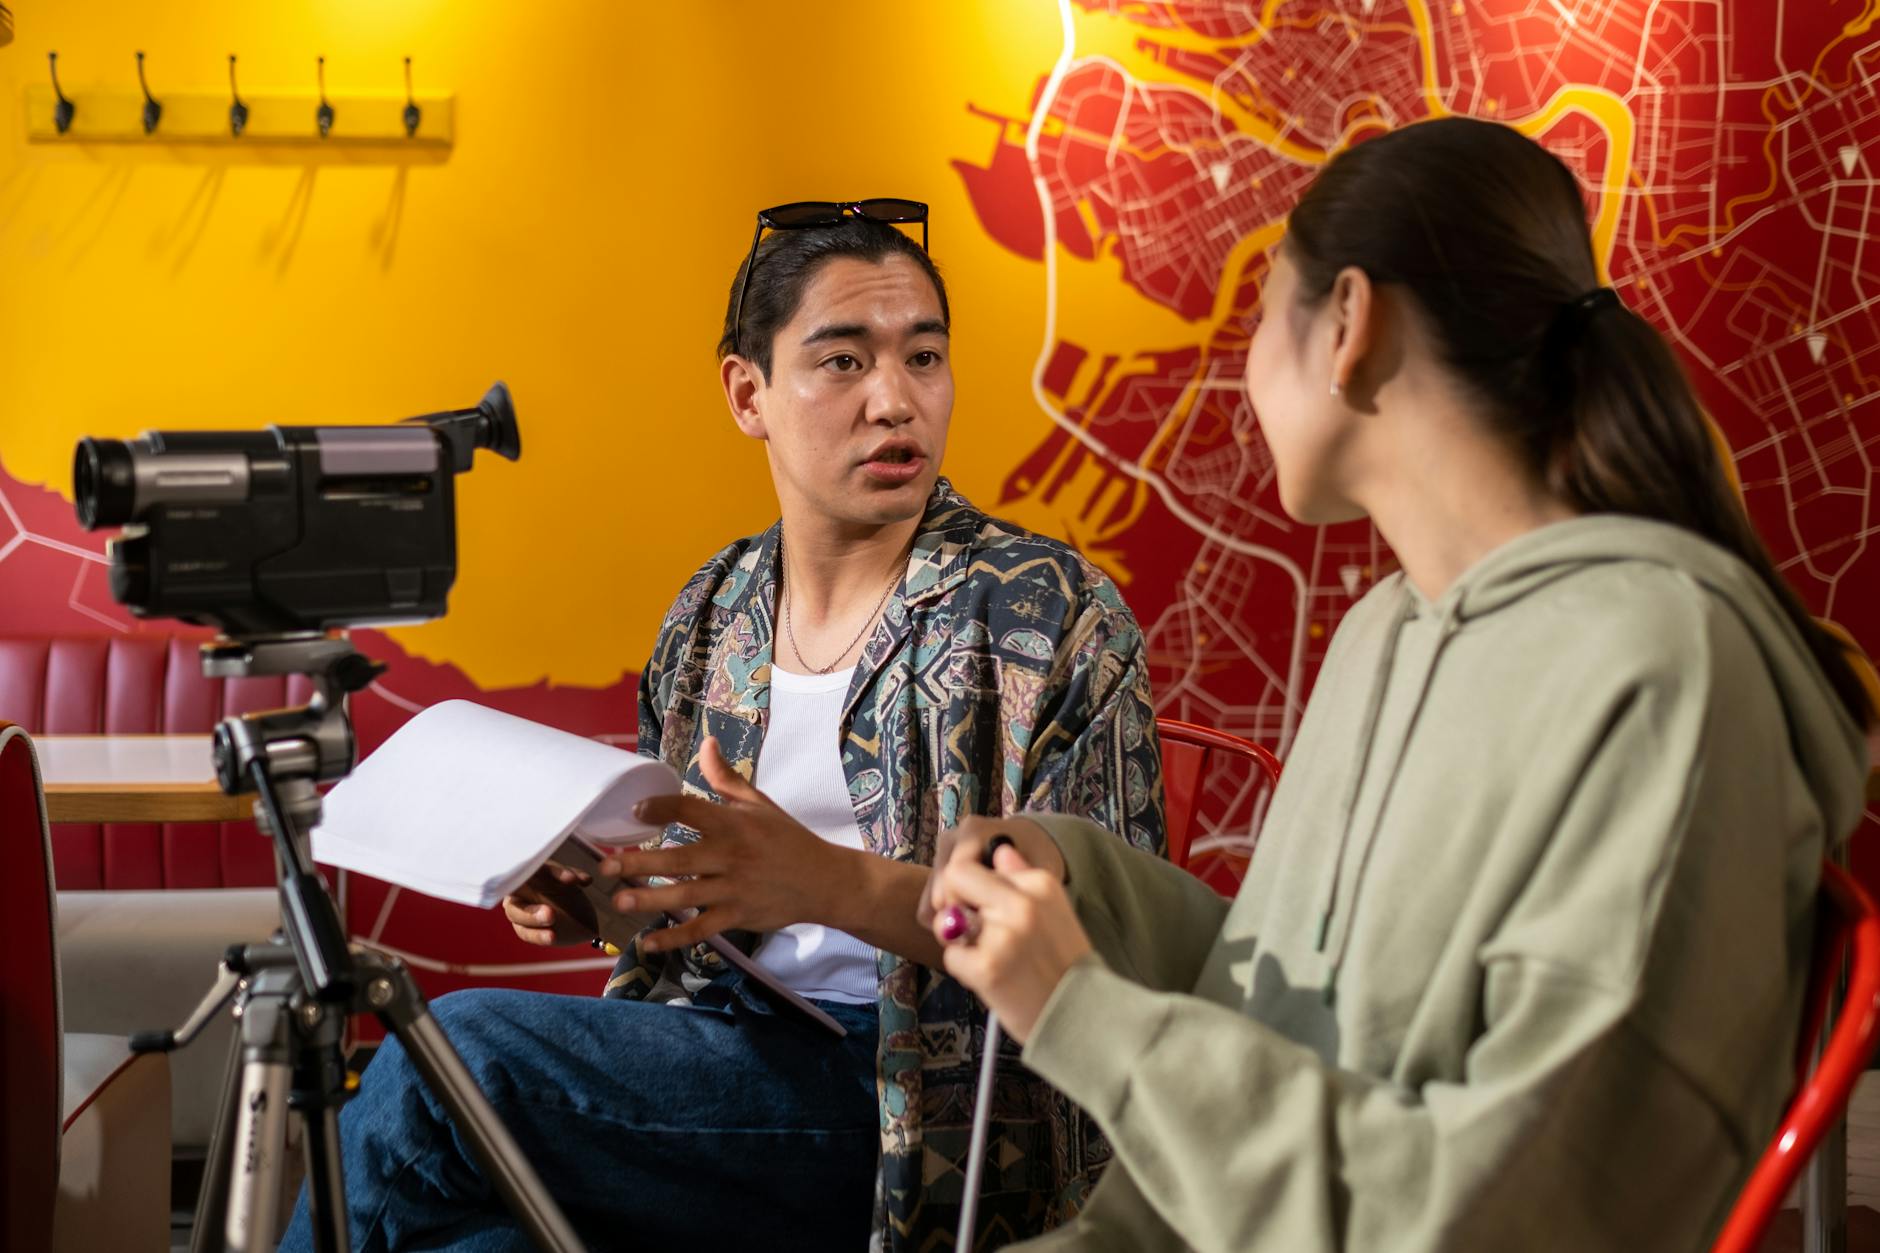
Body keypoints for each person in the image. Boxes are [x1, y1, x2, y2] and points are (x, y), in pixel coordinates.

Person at [923, 117, 1876, 1252]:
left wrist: (1077, 1009)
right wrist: (1078, 885)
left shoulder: (1660, 673)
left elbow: (1509, 1216)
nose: (1238, 370)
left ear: (1348, 324)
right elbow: (1319, 998)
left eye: (1258, 312)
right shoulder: (1384, 629)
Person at [279, 205, 1165, 1253]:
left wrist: (824, 881)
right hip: (722, 1064)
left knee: (459, 1053)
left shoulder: (1044, 610)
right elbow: (703, 913)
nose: (895, 400)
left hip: (919, 1105)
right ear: (747, 392)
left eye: (924, 356)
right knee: (479, 1239)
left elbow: (1108, 950)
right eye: (842, 360)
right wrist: (615, 903)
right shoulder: (713, 611)